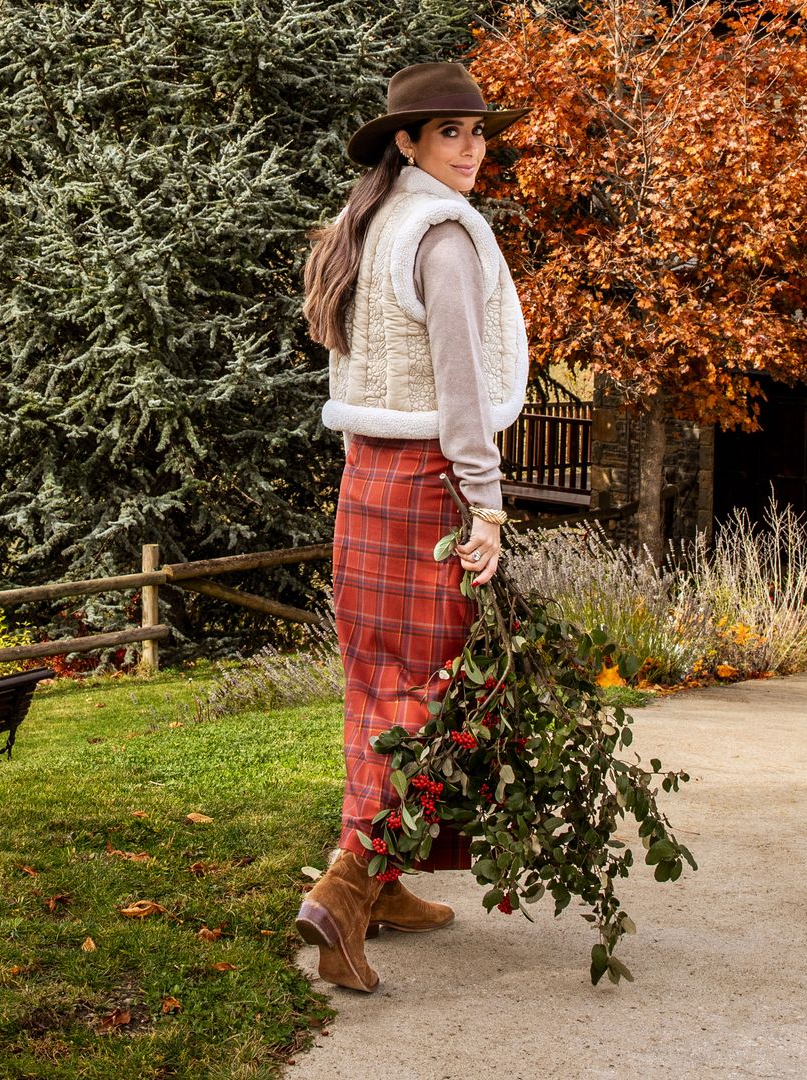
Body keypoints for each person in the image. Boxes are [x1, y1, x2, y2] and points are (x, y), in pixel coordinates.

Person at [295, 62, 531, 993]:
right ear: (407, 143)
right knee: (431, 698)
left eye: (479, 134)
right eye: (451, 135)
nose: (472, 151)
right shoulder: (441, 236)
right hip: (430, 483)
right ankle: (347, 891)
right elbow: (462, 387)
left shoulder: (368, 226)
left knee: (378, 685)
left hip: (366, 485)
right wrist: (488, 502)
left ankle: (383, 883)